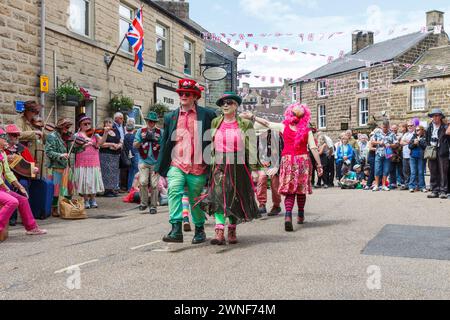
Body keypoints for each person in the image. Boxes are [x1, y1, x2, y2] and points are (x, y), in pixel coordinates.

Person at [244, 103, 323, 232]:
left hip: (288, 161)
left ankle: (287, 216)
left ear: (289, 114)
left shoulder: (283, 126)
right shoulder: (307, 130)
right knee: (300, 189)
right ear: (305, 116)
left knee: (290, 190)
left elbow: (267, 123)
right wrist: (319, 165)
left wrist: (253, 116)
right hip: (302, 160)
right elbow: (313, 148)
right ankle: (301, 215)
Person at [156, 78, 217, 244]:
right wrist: (160, 166)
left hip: (198, 164)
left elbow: (214, 139)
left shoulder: (208, 114)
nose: (183, 95)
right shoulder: (171, 117)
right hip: (177, 163)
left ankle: (199, 229)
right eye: (181, 93)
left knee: (195, 199)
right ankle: (176, 229)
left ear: (195, 97)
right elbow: (165, 142)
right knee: (174, 190)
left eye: (188, 94)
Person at [200, 92, 260, 245]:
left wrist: (254, 169)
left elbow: (251, 147)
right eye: (222, 103)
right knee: (219, 195)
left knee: (234, 197)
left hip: (238, 165)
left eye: (229, 102)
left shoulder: (245, 124)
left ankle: (232, 228)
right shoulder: (215, 122)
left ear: (236, 105)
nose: (225, 105)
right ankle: (219, 231)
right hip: (219, 163)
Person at [0, 128, 47, 242]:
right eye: (3, 138)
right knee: (12, 201)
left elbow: (8, 173)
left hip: (1, 187)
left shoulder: (2, 153)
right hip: (1, 187)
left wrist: (20, 187)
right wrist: (6, 188)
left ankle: (31, 227)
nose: (6, 140)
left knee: (22, 199)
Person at [4, 124, 39, 226]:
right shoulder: (3, 150)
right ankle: (12, 217)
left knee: (24, 186)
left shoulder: (22, 149)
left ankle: (26, 217)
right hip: (7, 177)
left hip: (22, 177)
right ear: (6, 136)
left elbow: (31, 163)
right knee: (8, 187)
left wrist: (34, 169)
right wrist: (6, 158)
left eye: (15, 135)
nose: (13, 138)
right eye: (11, 135)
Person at [72, 114, 105, 209]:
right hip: (82, 161)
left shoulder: (95, 134)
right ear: (80, 125)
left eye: (89, 124)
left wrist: (106, 133)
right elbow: (74, 148)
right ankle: (86, 200)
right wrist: (83, 145)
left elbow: (101, 143)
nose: (87, 125)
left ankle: (93, 199)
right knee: (85, 181)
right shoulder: (77, 135)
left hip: (94, 161)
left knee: (93, 180)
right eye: (85, 124)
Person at [44, 118, 75, 217]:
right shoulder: (52, 136)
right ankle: (54, 208)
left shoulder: (66, 137)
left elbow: (74, 148)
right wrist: (60, 155)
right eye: (66, 127)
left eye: (68, 127)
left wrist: (83, 145)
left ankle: (67, 206)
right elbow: (48, 151)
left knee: (69, 187)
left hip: (66, 166)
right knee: (56, 189)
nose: (67, 129)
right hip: (56, 166)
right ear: (61, 127)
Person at [133, 112, 162, 215]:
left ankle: (153, 206)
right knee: (143, 182)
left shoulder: (160, 132)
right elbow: (135, 145)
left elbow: (164, 146)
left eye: (153, 121)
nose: (151, 123)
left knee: (154, 185)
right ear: (147, 121)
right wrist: (143, 139)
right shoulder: (140, 131)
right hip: (143, 161)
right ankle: (144, 203)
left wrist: (157, 141)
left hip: (155, 161)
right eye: (150, 121)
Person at [255, 127, 283, 216]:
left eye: (262, 132)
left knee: (275, 184)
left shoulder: (276, 137)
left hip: (275, 162)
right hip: (262, 162)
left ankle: (276, 205)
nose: (261, 134)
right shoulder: (257, 138)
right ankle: (262, 204)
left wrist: (277, 166)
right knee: (262, 179)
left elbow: (282, 152)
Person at [16, 101, 46, 172]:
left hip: (39, 155)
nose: (36, 113)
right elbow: (18, 134)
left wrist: (43, 133)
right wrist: (34, 132)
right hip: (27, 155)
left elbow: (44, 140)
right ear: (27, 111)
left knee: (38, 178)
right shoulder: (20, 121)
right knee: (28, 176)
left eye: (37, 112)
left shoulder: (35, 123)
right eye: (34, 111)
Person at [425, 109, 449, 199]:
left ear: (440, 117)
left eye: (436, 115)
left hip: (442, 151)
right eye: (433, 116)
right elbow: (427, 139)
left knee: (443, 171)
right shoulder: (429, 127)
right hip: (432, 150)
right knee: (433, 171)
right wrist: (428, 147)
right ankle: (435, 190)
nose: (434, 117)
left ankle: (443, 191)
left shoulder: (445, 127)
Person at [99, 118, 122, 198]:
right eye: (106, 122)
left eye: (110, 122)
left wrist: (118, 145)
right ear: (104, 124)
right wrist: (111, 144)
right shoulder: (102, 132)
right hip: (105, 154)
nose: (108, 124)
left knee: (114, 173)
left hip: (115, 155)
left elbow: (120, 141)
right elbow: (101, 144)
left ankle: (112, 189)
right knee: (106, 173)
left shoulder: (116, 131)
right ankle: (106, 190)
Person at [372, 121, 397, 192]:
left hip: (388, 153)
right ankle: (376, 185)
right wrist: (379, 142)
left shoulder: (392, 134)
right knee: (377, 169)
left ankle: (383, 185)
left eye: (386, 127)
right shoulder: (377, 133)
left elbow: (396, 144)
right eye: (384, 127)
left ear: (388, 126)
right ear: (381, 126)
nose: (385, 129)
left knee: (386, 170)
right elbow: (372, 142)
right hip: (379, 153)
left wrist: (390, 145)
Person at [408, 125, 427, 193]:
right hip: (413, 157)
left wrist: (419, 141)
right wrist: (414, 143)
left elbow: (425, 146)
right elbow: (409, 146)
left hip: (421, 157)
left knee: (421, 172)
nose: (417, 131)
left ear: (422, 130)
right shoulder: (413, 137)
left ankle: (422, 187)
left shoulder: (425, 137)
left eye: (418, 130)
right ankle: (411, 186)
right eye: (416, 130)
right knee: (413, 172)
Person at [124, 119, 139, 191]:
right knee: (136, 172)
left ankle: (129, 188)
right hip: (135, 154)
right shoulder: (133, 136)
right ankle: (133, 188)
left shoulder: (125, 136)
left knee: (131, 171)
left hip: (129, 155)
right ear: (133, 128)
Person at [400, 121, 416, 190]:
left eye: (411, 125)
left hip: (412, 155)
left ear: (414, 126)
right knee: (405, 171)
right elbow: (401, 142)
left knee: (413, 171)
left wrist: (406, 142)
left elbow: (412, 142)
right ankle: (407, 184)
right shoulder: (406, 134)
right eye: (408, 126)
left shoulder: (415, 134)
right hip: (405, 155)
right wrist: (408, 142)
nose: (409, 127)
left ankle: (413, 185)